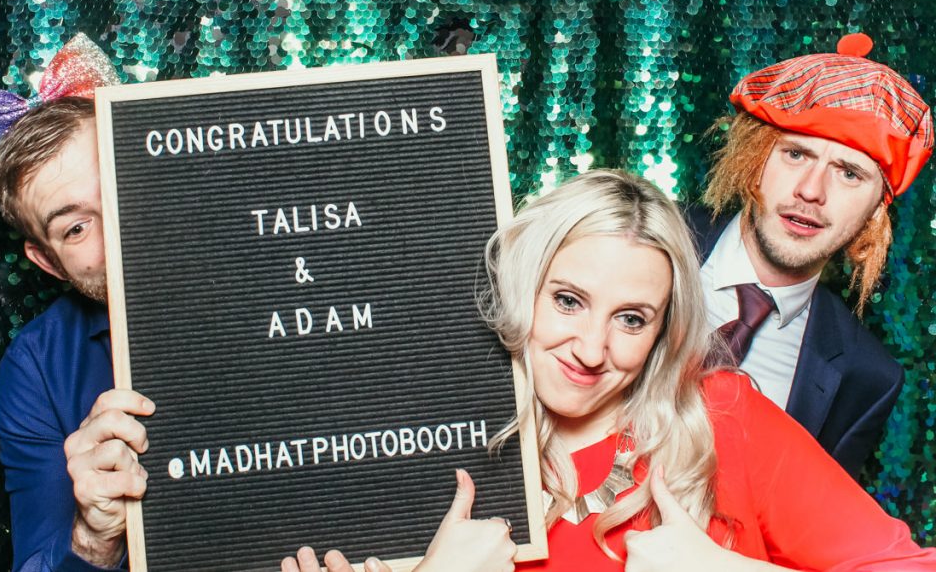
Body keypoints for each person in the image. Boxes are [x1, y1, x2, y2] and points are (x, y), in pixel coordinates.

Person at [284, 169, 936, 572]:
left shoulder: (722, 414)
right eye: (568, 300)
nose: (592, 348)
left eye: (631, 318)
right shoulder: (434, 440)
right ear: (522, 285)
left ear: (662, 331)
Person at [692, 32, 933, 477]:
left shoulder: (868, 379)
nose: (810, 190)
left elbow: (813, 539)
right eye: (796, 153)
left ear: (876, 213)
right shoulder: (640, 237)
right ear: (754, 160)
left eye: (848, 173)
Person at [0, 35, 150, 571]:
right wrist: (95, 535)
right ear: (47, 261)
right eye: (78, 226)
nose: (117, 231)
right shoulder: (37, 368)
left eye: (118, 184)